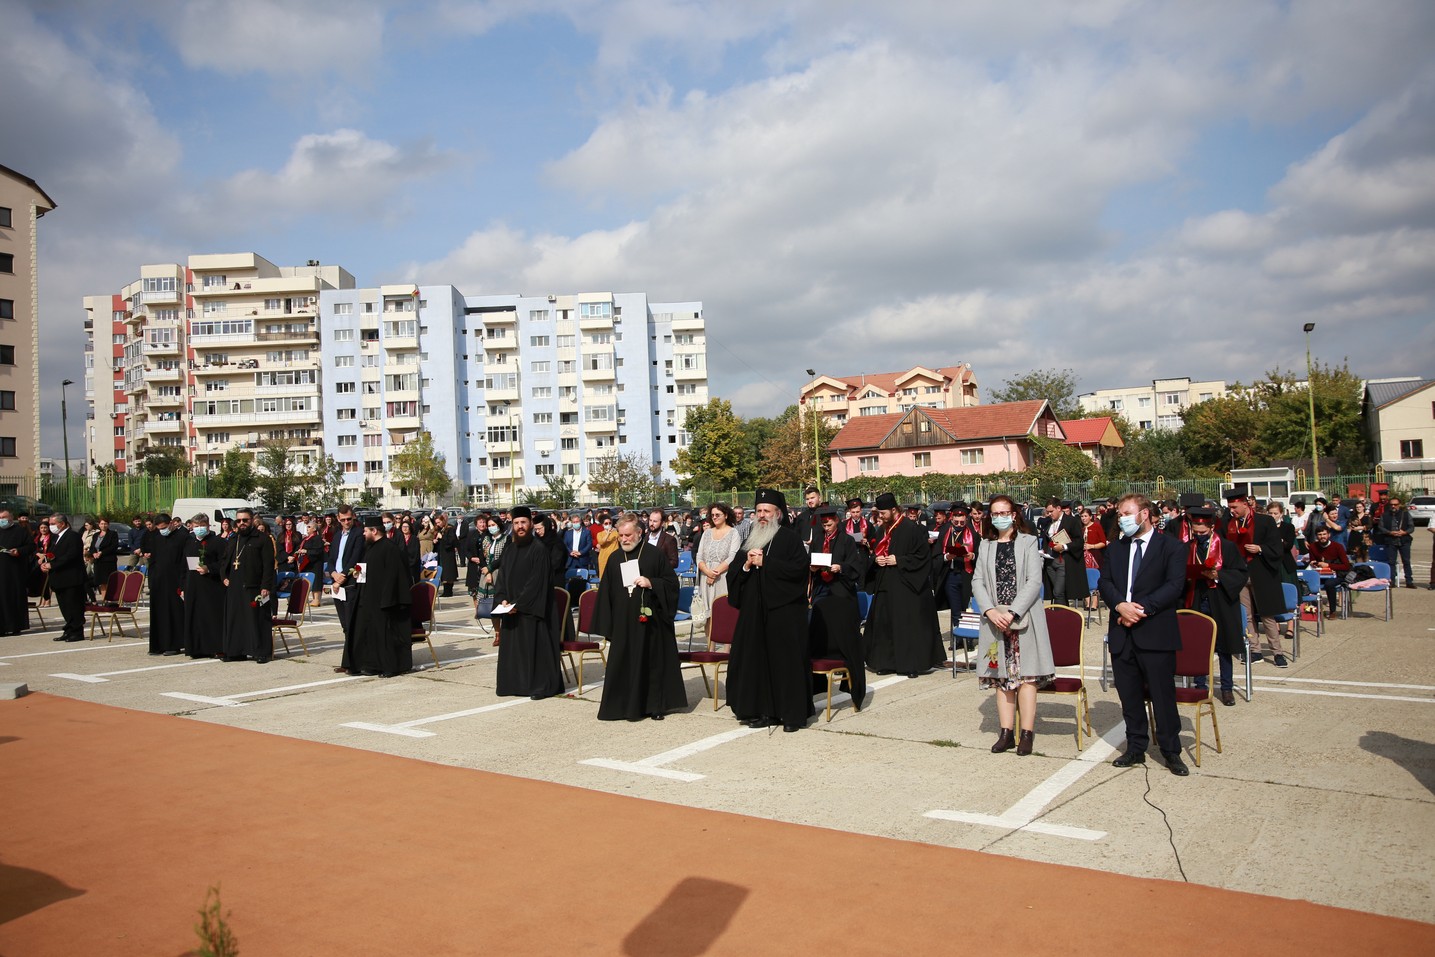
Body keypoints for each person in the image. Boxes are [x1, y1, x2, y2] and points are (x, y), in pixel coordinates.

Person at [1098, 493, 1190, 776]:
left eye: (1127, 513)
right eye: (1120, 515)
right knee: (1129, 695)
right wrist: (1120, 606)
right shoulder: (1115, 549)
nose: (1122, 519)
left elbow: (1174, 585)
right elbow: (1106, 582)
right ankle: (1136, 747)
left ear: (1145, 514)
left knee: (1162, 695)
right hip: (1121, 633)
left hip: (1155, 631)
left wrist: (1140, 610)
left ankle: (1170, 750)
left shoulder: (1171, 547)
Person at [725, 489, 813, 732]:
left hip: (783, 615)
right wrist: (745, 564)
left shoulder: (790, 539)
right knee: (755, 663)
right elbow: (733, 574)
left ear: (778, 514)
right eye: (759, 511)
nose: (762, 515)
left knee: (784, 664)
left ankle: (790, 715)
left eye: (767, 511)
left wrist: (768, 564)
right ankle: (760, 711)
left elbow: (798, 572)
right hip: (753, 615)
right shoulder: (749, 539)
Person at [972, 495, 1054, 755]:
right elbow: (978, 581)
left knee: (1026, 676)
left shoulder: (1029, 542)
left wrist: (1013, 612)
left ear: (1015, 514)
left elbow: (1033, 581)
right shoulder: (985, 545)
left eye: (1004, 512)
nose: (999, 518)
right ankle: (1006, 732)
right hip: (995, 620)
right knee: (1001, 677)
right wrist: (990, 610)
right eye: (994, 514)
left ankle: (1026, 733)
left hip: (1023, 618)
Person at [593, 513, 687, 721]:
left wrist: (652, 582)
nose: (624, 539)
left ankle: (654, 706)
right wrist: (607, 625)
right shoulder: (615, 558)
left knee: (650, 663)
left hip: (650, 621)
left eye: (627, 535)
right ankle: (622, 706)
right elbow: (606, 592)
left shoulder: (654, 555)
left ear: (639, 533)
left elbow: (672, 585)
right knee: (623, 663)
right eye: (621, 536)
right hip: (623, 622)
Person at [863, 492, 944, 678]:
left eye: (883, 513)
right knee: (884, 624)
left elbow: (923, 558)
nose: (880, 517)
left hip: (906, 586)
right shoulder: (881, 529)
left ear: (893, 510)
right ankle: (886, 662)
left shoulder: (911, 528)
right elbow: (874, 551)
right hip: (885, 584)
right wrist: (877, 560)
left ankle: (910, 664)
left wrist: (899, 560)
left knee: (907, 626)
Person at [494, 506, 565, 699]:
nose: (520, 527)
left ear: (531, 524)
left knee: (536, 650)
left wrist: (518, 604)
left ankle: (540, 686)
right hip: (511, 610)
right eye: (516, 523)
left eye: (523, 522)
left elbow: (537, 583)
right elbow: (501, 579)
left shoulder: (539, 550)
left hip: (533, 611)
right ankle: (515, 685)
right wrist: (502, 600)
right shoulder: (509, 550)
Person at [1182, 505, 1249, 707]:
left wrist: (1218, 575)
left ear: (1211, 528)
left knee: (1224, 646)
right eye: (1196, 532)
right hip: (1197, 598)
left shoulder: (1226, 547)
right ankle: (1200, 685)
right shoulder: (1187, 547)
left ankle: (1226, 688)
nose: (1199, 535)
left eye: (1203, 532)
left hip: (1221, 600)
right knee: (1199, 645)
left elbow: (1240, 574)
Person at [807, 505, 866, 706]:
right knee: (817, 632)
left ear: (836, 521)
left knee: (844, 635)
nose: (827, 525)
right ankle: (817, 683)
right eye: (824, 523)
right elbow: (811, 561)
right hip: (821, 591)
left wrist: (841, 567)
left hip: (841, 592)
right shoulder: (817, 539)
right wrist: (812, 567)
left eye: (829, 521)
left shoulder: (847, 541)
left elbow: (856, 567)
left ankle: (850, 683)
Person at [1225, 487, 1288, 668]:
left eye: (1235, 507)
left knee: (1268, 615)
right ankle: (1255, 650)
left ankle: (1277, 652)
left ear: (1245, 504)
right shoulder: (1230, 524)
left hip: (1262, 572)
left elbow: (1277, 547)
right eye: (1230, 507)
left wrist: (1260, 549)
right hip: (1241, 574)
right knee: (1247, 615)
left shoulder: (1264, 521)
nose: (1232, 511)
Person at [349, 516, 415, 678]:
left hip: (385, 601)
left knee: (386, 636)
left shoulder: (389, 548)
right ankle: (373, 665)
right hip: (369, 598)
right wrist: (358, 573)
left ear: (374, 531)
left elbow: (394, 576)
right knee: (371, 635)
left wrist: (387, 599)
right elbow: (365, 567)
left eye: (365, 531)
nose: (363, 534)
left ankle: (391, 667)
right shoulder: (370, 547)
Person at [220, 508, 276, 663]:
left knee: (256, 620)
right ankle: (236, 651)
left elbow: (268, 565)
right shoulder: (233, 539)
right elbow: (225, 561)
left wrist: (266, 585)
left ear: (251, 520)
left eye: (245, 520)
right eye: (238, 521)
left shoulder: (262, 539)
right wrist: (223, 576)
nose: (241, 523)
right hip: (234, 587)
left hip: (255, 587)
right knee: (235, 620)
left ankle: (260, 652)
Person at [692, 503, 742, 637]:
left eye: (717, 515)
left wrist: (714, 573)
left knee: (724, 613)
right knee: (707, 615)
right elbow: (699, 555)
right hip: (705, 577)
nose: (714, 517)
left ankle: (726, 652)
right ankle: (710, 648)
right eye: (712, 515)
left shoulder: (733, 533)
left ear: (725, 515)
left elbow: (733, 556)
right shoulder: (707, 533)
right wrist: (707, 571)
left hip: (723, 577)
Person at [182, 515, 227, 659]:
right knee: (195, 617)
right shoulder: (189, 542)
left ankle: (216, 647)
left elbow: (224, 563)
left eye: (201, 525)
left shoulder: (218, 542)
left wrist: (210, 568)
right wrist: (182, 586)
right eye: (196, 526)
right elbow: (185, 565)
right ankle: (196, 647)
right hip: (193, 585)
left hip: (211, 585)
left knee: (212, 617)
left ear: (208, 526)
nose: (198, 529)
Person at [327, 506, 366, 673]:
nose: (346, 522)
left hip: (350, 582)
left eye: (348, 519)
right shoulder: (337, 536)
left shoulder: (358, 534)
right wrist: (334, 574)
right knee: (345, 624)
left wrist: (343, 575)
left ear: (353, 517)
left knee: (352, 623)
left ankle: (353, 662)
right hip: (337, 583)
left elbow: (355, 557)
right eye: (343, 520)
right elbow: (331, 559)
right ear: (338, 519)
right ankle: (347, 660)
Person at [38, 513, 86, 643]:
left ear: (62, 524)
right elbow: (52, 554)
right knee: (65, 606)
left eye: (53, 524)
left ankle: (77, 632)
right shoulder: (55, 537)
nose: (51, 526)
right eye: (50, 524)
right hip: (59, 578)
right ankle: (68, 630)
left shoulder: (73, 536)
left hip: (71, 578)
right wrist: (45, 564)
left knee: (73, 606)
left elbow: (71, 556)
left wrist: (52, 565)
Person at [147, 514, 188, 656]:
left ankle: (174, 644)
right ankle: (158, 644)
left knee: (173, 614)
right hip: (159, 582)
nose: (162, 531)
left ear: (171, 524)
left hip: (175, 581)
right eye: (159, 529)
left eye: (164, 528)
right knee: (159, 613)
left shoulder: (182, 537)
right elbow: (153, 561)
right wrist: (151, 580)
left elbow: (185, 561)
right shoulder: (157, 538)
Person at [937, 503, 979, 635]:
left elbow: (980, 555)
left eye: (962, 522)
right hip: (951, 575)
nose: (959, 525)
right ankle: (957, 639)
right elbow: (935, 556)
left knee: (967, 608)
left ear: (966, 520)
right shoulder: (944, 533)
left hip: (967, 574)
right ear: (951, 518)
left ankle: (969, 639)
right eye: (956, 522)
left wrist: (972, 556)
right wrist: (946, 557)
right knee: (955, 610)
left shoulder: (973, 534)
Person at [1041, 497, 1084, 606]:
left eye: (1051, 511)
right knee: (1058, 592)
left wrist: (1064, 546)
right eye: (1048, 512)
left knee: (1058, 592)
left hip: (1064, 562)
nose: (1049, 514)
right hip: (1050, 561)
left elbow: (1079, 541)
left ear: (1059, 508)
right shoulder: (1049, 523)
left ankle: (1061, 617)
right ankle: (1063, 615)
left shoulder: (1071, 521)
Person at [1305, 524, 1352, 617]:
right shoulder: (1313, 547)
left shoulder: (1338, 547)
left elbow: (1346, 566)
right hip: (1320, 573)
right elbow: (1312, 560)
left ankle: (1332, 611)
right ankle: (1315, 609)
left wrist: (1329, 565)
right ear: (1316, 536)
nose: (1322, 536)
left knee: (1329, 584)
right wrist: (1313, 563)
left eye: (1324, 534)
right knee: (1308, 582)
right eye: (1320, 534)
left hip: (1337, 574)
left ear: (1329, 535)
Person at [0, 508, 33, 635]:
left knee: (14, 597)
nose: (2, 520)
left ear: (11, 518)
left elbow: (30, 546)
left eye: (4, 518)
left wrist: (18, 551)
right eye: (0, 518)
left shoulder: (20, 531)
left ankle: (15, 626)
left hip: (14, 571)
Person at [1377, 495, 1416, 588]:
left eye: (1395, 505)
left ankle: (1409, 581)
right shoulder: (1384, 515)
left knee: (1406, 561)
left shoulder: (1405, 514)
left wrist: (1404, 532)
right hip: (1390, 541)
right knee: (1391, 562)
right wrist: (1390, 532)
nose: (1393, 506)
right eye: (1391, 505)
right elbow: (1380, 527)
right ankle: (1392, 581)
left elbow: (1412, 527)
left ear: (1399, 505)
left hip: (1404, 540)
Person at [1079, 506, 1106, 614]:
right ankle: (1087, 601)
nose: (1083, 518)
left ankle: (1094, 602)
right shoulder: (1080, 529)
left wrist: (1092, 546)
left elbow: (1103, 542)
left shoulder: (1096, 527)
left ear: (1090, 517)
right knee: (1084, 578)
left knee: (1094, 578)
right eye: (1082, 516)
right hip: (1083, 557)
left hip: (1095, 555)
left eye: (1085, 516)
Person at [90, 517, 120, 599]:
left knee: (108, 581)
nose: (103, 525)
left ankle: (110, 598)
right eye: (102, 524)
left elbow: (113, 546)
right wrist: (93, 553)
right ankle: (104, 599)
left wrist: (101, 552)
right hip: (98, 561)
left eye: (105, 524)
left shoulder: (112, 534)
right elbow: (92, 546)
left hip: (108, 561)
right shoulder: (96, 535)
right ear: (99, 525)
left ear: (108, 525)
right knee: (101, 582)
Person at [563, 512, 594, 580]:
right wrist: (570, 552)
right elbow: (565, 544)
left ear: (580, 522)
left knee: (583, 580)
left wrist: (581, 552)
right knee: (571, 580)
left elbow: (589, 544)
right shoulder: (568, 533)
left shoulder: (586, 532)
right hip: (571, 560)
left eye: (577, 521)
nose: (575, 523)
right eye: (574, 522)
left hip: (582, 559)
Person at [594, 514, 620, 580]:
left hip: (615, 557)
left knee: (615, 577)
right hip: (604, 558)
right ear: (602, 525)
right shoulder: (600, 534)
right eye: (606, 523)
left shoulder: (616, 533)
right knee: (604, 577)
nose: (608, 524)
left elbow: (621, 540)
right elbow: (601, 542)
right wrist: (608, 533)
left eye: (610, 523)